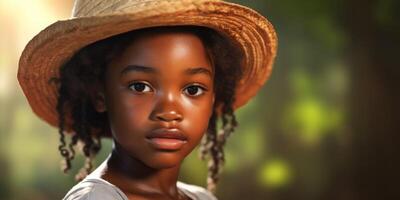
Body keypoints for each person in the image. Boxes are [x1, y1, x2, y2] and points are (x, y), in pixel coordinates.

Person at [17, 0, 277, 199]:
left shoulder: (201, 197)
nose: (169, 111)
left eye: (193, 90)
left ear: (214, 97)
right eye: (140, 86)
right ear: (99, 94)